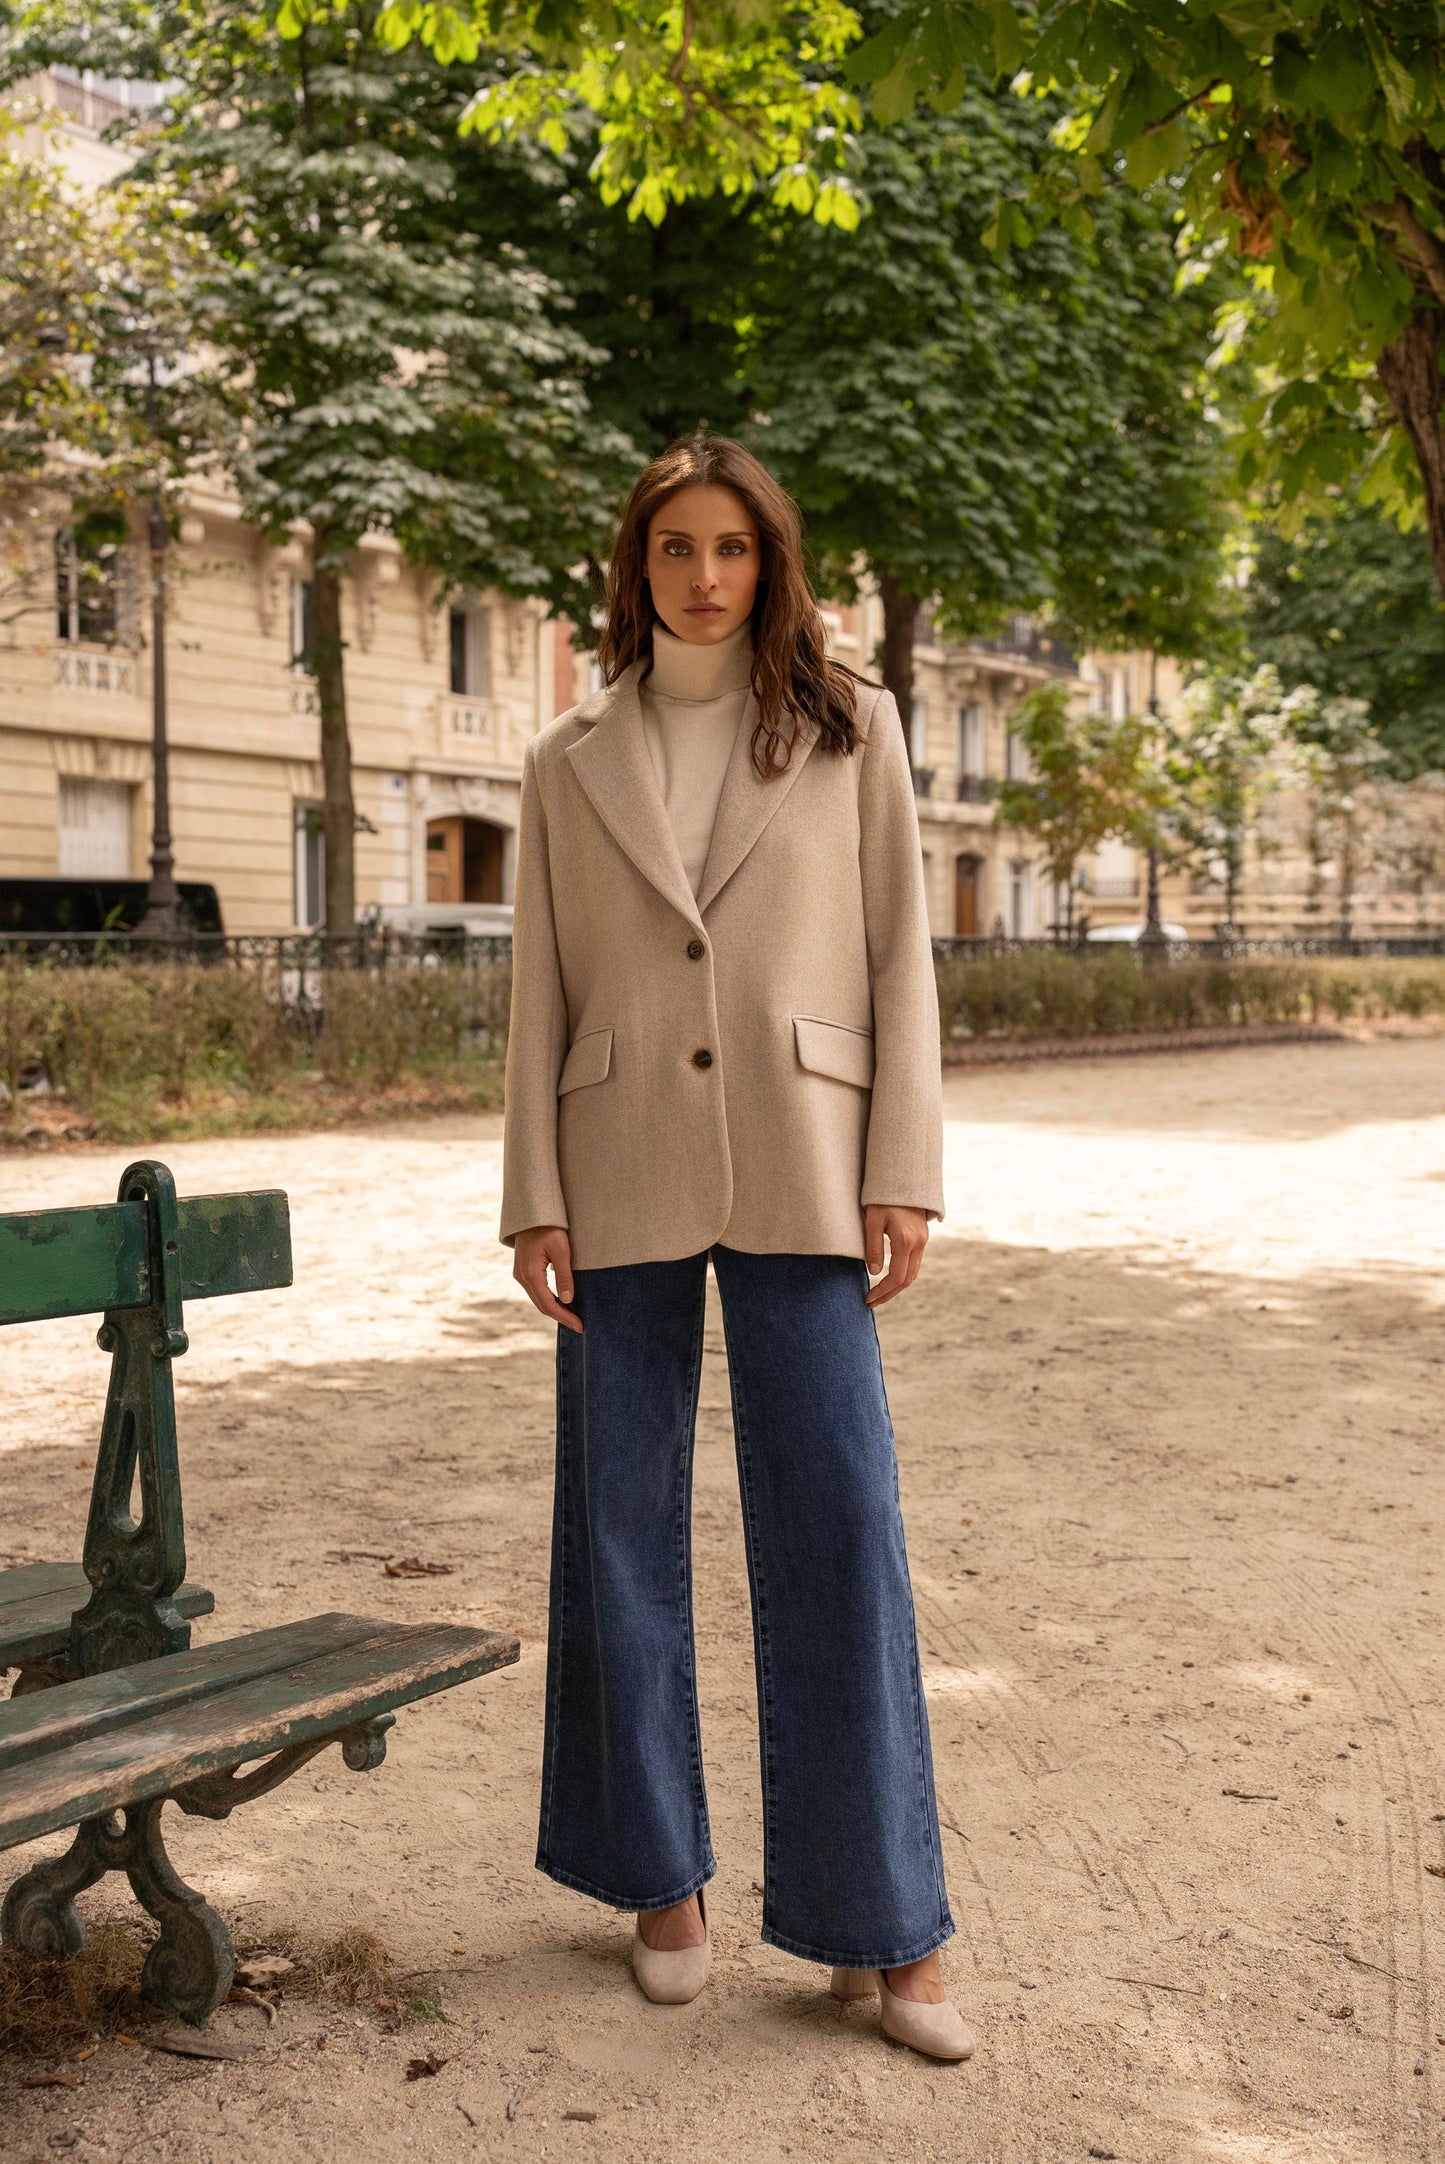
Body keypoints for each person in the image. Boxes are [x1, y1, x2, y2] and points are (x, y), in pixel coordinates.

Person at [499, 432, 973, 2062]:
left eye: (732, 548)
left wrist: (900, 1163)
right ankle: (657, 1881)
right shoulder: (566, 757)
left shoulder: (855, 729)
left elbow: (903, 956)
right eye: (673, 547)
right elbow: (537, 993)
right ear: (635, 567)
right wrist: (531, 1192)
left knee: (840, 1515)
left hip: (809, 1156)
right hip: (614, 1153)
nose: (703, 574)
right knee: (617, 1525)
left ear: (770, 564)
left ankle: (883, 1926)